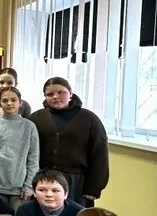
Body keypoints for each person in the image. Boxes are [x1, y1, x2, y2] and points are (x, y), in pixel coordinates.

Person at [29, 76, 109, 206]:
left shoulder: (89, 119)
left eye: (61, 92)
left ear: (70, 94)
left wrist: (94, 187)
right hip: (43, 179)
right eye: (50, 94)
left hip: (76, 183)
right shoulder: (36, 118)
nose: (55, 97)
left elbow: (99, 155)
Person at [0, 87, 40, 209]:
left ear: (20, 103)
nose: (9, 103)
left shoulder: (29, 127)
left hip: (20, 190)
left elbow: (33, 159)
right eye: (5, 100)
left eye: (13, 100)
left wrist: (29, 186)